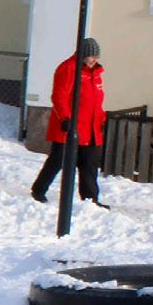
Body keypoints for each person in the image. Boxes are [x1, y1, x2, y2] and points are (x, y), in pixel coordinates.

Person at [32, 37, 108, 207]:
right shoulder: (68, 68)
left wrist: (101, 119)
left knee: (89, 164)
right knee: (57, 161)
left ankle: (90, 200)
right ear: (83, 54)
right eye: (91, 56)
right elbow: (59, 96)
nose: (94, 60)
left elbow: (96, 101)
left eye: (97, 57)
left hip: (91, 129)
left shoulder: (95, 74)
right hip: (70, 128)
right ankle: (39, 190)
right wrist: (65, 118)